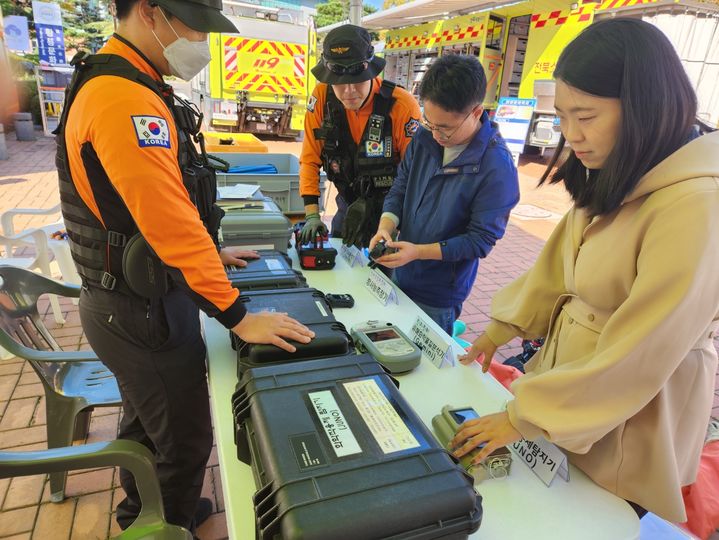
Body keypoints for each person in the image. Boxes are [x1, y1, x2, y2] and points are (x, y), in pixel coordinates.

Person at [55, 0, 313, 534]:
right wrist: (240, 315)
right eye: (196, 25)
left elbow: (138, 211)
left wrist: (209, 256)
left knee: (147, 424)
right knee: (185, 435)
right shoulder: (125, 99)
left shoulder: (125, 79)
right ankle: (164, 525)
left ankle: (142, 511)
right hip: (141, 310)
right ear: (151, 12)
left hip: (126, 299)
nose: (202, 41)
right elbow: (169, 224)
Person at [453, 18, 719, 523]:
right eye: (563, 117)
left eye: (586, 116)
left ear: (646, 107)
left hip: (633, 407)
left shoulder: (698, 203)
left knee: (595, 518)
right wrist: (502, 328)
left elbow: (645, 347)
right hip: (573, 391)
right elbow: (558, 267)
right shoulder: (618, 164)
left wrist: (524, 416)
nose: (571, 135)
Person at [368, 55, 519, 335]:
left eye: (446, 128)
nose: (436, 134)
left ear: (475, 112)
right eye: (430, 123)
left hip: (439, 294)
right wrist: (385, 227)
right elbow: (400, 188)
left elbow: (480, 241)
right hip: (400, 274)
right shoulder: (425, 139)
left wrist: (418, 253)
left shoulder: (496, 167)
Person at [298, 24, 421, 248]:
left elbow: (412, 176)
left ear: (372, 72)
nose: (349, 92)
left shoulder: (402, 106)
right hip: (348, 205)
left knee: (384, 278)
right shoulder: (321, 99)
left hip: (392, 213)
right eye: (339, 84)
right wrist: (312, 214)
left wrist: (390, 224)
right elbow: (309, 159)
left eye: (357, 81)